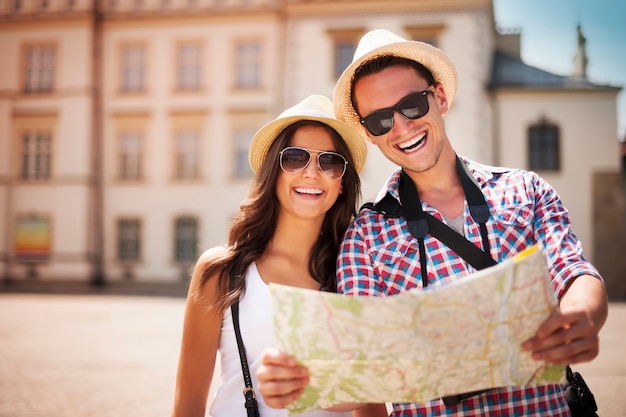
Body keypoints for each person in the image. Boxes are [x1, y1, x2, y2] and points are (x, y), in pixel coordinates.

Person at [257, 29, 608, 416]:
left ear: (439, 97)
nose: (401, 128)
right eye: (379, 120)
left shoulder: (526, 189)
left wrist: (581, 317)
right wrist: (305, 381)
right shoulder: (365, 236)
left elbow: (574, 273)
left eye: (411, 105)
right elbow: (364, 371)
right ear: (369, 135)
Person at [171, 94, 369, 417]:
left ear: (343, 184)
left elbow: (369, 403)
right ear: (274, 171)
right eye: (295, 158)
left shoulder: (355, 276)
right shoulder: (221, 272)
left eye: (330, 162)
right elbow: (188, 407)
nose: (312, 172)